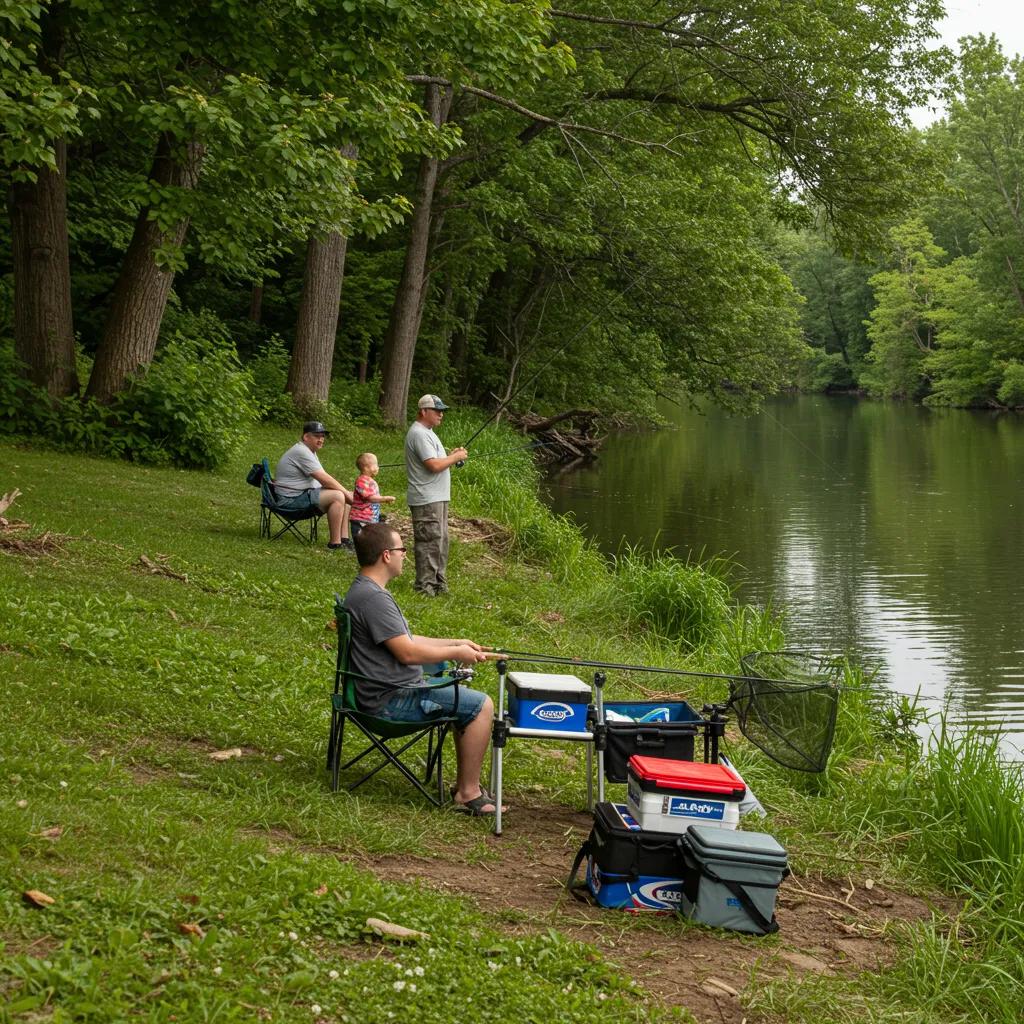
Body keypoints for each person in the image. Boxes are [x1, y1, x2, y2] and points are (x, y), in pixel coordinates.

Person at [344, 522, 503, 815]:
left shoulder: (367, 591)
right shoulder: (374, 598)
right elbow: (406, 652)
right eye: (401, 549)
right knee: (482, 706)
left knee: (463, 698)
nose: (405, 554)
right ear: (386, 556)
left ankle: (467, 786)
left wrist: (457, 642)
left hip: (385, 692)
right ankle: (468, 793)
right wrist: (456, 653)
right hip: (390, 701)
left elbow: (406, 639)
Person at [404, 394, 467, 595]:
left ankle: (439, 585)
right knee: (429, 542)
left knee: (440, 541)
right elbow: (433, 465)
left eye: (442, 411)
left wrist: (451, 456)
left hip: (437, 498)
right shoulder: (419, 433)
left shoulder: (428, 433)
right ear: (423, 411)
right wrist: (455, 456)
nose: (441, 414)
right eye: (437, 410)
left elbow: (438, 460)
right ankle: (424, 587)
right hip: (426, 498)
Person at [274, 421, 354, 551]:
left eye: (323, 436)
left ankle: (344, 540)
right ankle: (335, 544)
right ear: (306, 437)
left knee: (344, 495)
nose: (321, 439)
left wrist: (347, 494)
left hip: (301, 495)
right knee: (338, 495)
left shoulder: (309, 452)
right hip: (290, 502)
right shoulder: (301, 452)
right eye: (317, 436)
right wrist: (346, 494)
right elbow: (324, 479)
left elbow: (323, 479)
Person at [349, 452, 396, 541]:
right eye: (376, 465)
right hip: (360, 519)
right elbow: (370, 497)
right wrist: (384, 499)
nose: (378, 467)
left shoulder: (368, 480)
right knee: (361, 540)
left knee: (369, 540)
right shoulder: (362, 481)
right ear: (367, 468)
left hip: (369, 519)